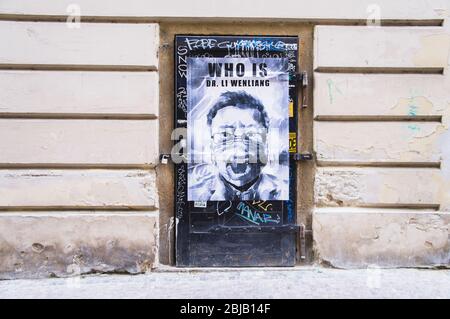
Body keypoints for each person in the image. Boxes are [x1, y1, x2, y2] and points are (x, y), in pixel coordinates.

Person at [189, 91, 286, 201]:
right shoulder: (194, 195)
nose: (238, 149)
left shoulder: (285, 192)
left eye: (251, 134)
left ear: (266, 145)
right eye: (225, 135)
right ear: (211, 148)